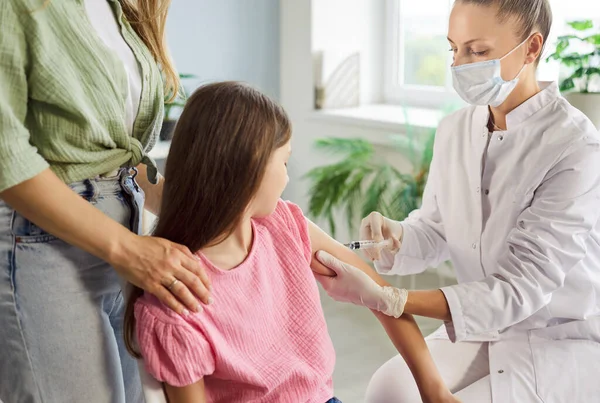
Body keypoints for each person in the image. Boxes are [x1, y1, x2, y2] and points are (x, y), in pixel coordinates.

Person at [315, 0, 600, 402]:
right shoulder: (455, 129)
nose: (460, 65)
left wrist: (391, 298)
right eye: (454, 49)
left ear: (532, 48)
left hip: (556, 338)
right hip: (483, 327)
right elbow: (436, 228)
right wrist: (397, 236)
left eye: (478, 51)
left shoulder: (574, 147)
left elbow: (521, 288)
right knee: (389, 389)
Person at [123, 81, 460, 403]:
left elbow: (382, 299)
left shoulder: (284, 224)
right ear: (249, 168)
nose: (287, 175)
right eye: (284, 161)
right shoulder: (178, 294)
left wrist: (435, 392)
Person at [0, 1, 212, 402]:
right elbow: (5, 153)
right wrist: (128, 250)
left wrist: (195, 209)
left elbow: (115, 154)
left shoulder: (119, 9)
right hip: (47, 246)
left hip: (123, 242)